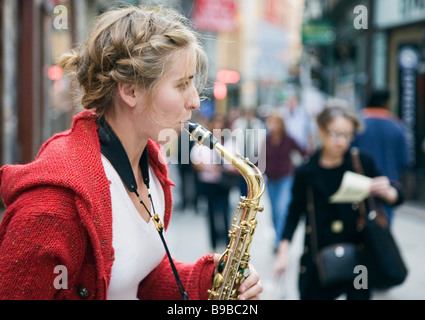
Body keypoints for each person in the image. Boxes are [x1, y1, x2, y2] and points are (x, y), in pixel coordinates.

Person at [0, 5, 262, 300]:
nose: (194, 102)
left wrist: (209, 280)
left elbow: (141, 275)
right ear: (130, 91)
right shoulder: (52, 206)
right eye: (182, 85)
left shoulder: (149, 162)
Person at [274, 102, 404, 300]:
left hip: (358, 257)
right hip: (317, 256)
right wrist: (283, 251)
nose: (341, 141)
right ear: (321, 130)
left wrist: (389, 192)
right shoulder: (306, 172)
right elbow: (294, 213)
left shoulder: (361, 162)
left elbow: (395, 195)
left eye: (347, 135)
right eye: (335, 133)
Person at [351, 89, 410, 227]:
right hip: (387, 186)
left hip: (358, 185)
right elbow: (405, 160)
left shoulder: (358, 125)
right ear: (386, 103)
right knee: (383, 229)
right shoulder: (397, 127)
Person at [259, 112, 308, 251]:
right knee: (274, 212)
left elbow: (304, 152)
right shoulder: (266, 140)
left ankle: (279, 242)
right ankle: (278, 236)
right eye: (270, 123)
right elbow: (259, 159)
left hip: (286, 178)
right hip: (271, 179)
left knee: (281, 209)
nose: (272, 126)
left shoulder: (288, 139)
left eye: (275, 123)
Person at [190, 114, 231, 252]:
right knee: (211, 215)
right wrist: (211, 168)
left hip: (224, 183)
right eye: (216, 122)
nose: (218, 126)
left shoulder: (228, 142)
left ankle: (227, 244)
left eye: (220, 122)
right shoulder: (203, 141)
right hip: (208, 183)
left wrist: (224, 168)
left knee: (226, 214)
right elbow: (195, 161)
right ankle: (214, 246)